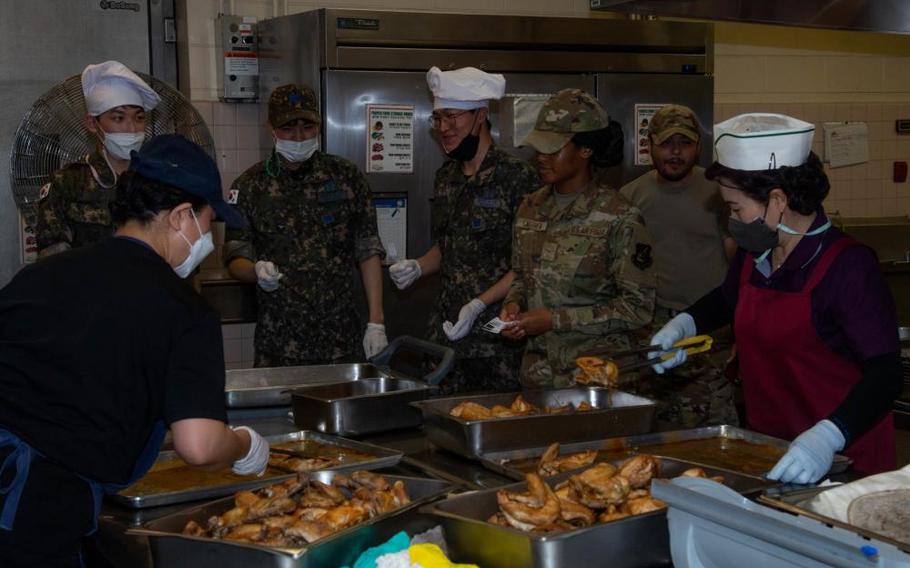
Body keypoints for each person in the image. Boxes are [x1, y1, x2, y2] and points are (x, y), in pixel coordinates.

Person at [0, 134, 269, 567]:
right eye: (209, 221)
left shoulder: (41, 275)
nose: (210, 240)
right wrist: (243, 446)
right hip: (32, 512)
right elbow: (199, 446)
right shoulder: (183, 310)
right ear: (182, 216)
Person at [652, 113, 902, 483]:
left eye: (736, 209)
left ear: (778, 200)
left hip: (841, 461)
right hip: (770, 450)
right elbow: (726, 299)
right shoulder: (759, 253)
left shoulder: (847, 266)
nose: (731, 219)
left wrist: (828, 436)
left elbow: (886, 373)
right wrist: (685, 323)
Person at [388, 67, 539, 393]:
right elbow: (449, 245)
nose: (443, 128)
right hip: (445, 339)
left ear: (481, 115)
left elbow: (528, 263)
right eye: (438, 118)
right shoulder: (447, 178)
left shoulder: (517, 177)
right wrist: (418, 266)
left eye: (452, 117)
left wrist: (479, 304)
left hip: (497, 342)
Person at [499, 89, 657, 388]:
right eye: (539, 148)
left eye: (553, 148)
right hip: (540, 376)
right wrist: (513, 306)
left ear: (585, 150)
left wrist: (555, 320)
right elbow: (522, 276)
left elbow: (637, 309)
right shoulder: (530, 207)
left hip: (596, 379)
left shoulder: (619, 217)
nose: (542, 157)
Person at [224, 84, 388, 366]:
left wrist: (377, 321)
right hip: (278, 344)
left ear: (319, 126)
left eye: (307, 127)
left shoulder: (346, 177)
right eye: (288, 128)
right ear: (271, 128)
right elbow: (234, 256)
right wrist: (256, 271)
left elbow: (368, 249)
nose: (299, 137)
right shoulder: (250, 186)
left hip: (340, 341)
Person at [620, 104, 739, 428]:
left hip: (709, 336)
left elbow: (739, 264)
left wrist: (742, 329)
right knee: (653, 430)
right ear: (649, 146)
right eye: (666, 143)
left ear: (698, 147)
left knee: (712, 433)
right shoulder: (630, 198)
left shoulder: (720, 194)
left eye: (684, 143)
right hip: (651, 332)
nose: (675, 152)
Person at [36, 60, 160, 258]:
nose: (131, 128)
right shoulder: (67, 183)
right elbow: (53, 263)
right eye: (118, 118)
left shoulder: (159, 178)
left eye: (139, 118)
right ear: (93, 124)